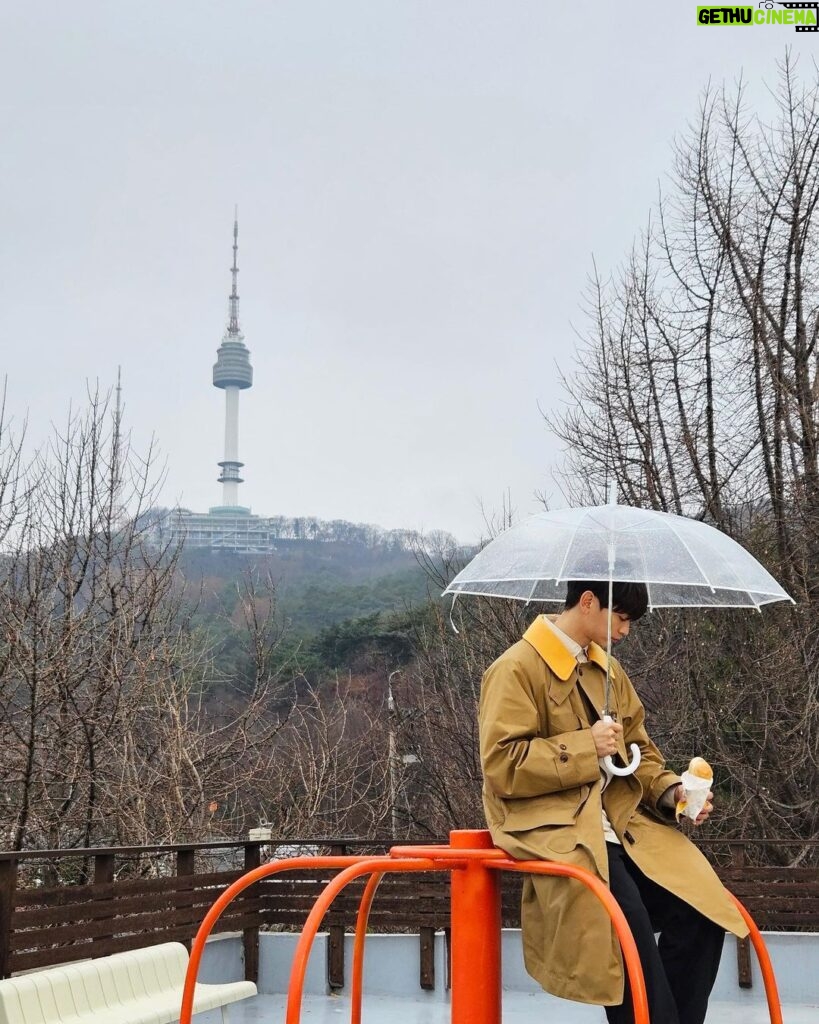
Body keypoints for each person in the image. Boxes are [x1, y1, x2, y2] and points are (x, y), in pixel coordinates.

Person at [478, 579, 749, 1024]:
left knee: (702, 906)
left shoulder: (608, 672)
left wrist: (673, 792)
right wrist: (586, 745)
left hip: (623, 827)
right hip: (559, 829)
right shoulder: (515, 668)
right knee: (625, 926)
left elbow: (639, 752)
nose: (625, 630)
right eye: (620, 617)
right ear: (588, 602)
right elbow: (504, 766)